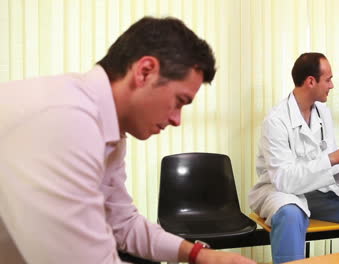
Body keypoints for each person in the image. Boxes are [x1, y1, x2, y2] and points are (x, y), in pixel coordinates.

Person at [0, 17, 255, 264]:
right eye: (179, 101)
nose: (178, 120)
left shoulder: (107, 128)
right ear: (145, 72)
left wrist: (199, 255)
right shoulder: (68, 121)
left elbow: (122, 223)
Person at [249, 52, 339, 264]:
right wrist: (333, 158)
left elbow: (332, 168)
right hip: (280, 192)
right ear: (311, 81)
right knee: (291, 214)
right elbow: (284, 180)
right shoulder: (276, 121)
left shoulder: (322, 112)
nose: (332, 85)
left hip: (319, 191)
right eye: (328, 80)